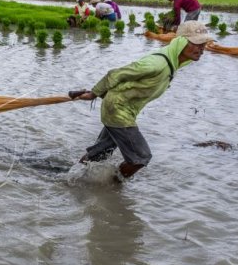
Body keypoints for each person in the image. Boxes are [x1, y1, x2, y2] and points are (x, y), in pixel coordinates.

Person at [69, 21, 212, 180]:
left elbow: (128, 82)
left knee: (102, 151)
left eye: (204, 44)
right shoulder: (157, 64)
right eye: (197, 44)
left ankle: (73, 176)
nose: (202, 49)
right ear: (181, 42)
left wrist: (101, 92)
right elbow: (116, 74)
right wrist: (94, 94)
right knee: (140, 157)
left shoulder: (173, 62)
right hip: (118, 110)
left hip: (122, 108)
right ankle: (112, 183)